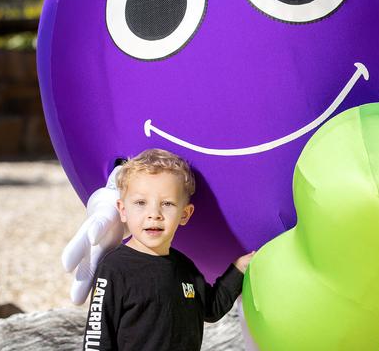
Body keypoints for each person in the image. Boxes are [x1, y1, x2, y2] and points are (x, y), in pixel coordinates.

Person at [82, 148, 255, 351]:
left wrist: (239, 268)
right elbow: (96, 336)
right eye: (140, 203)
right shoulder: (114, 268)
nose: (154, 214)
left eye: (167, 204)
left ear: (185, 213)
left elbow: (211, 308)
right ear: (122, 210)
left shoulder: (185, 267)